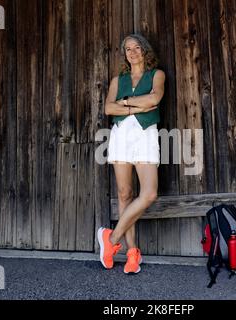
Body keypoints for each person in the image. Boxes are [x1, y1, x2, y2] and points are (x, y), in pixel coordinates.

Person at [97, 34, 165, 274]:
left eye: (137, 47)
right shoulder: (118, 80)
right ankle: (132, 253)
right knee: (125, 194)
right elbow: (108, 107)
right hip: (121, 135)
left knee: (149, 194)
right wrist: (137, 103)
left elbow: (155, 99)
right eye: (128, 49)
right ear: (124, 53)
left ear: (145, 50)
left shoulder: (156, 75)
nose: (133, 52)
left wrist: (123, 104)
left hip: (145, 135)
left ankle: (111, 238)